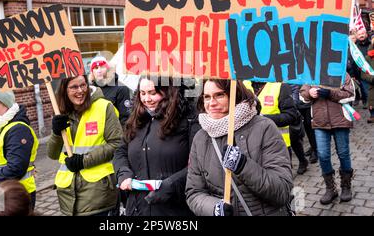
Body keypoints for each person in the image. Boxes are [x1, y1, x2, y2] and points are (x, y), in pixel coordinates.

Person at [186, 79, 293, 216]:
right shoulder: (200, 138)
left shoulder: (264, 127)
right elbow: (194, 192)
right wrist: (213, 208)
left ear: (234, 95)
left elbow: (282, 191)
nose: (211, 103)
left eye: (219, 95)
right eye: (207, 97)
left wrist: (243, 166)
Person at [113, 76, 200, 216]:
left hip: (175, 210)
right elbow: (121, 151)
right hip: (137, 209)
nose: (147, 99)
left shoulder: (189, 119)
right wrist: (123, 173)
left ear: (168, 91)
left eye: (153, 93)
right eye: (142, 93)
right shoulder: (136, 119)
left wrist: (171, 185)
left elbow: (199, 164)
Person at [47, 75, 122, 216]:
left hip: (99, 194)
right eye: (74, 87)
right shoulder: (61, 112)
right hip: (68, 197)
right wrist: (56, 133)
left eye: (83, 85)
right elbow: (52, 154)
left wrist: (83, 161)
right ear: (64, 90)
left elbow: (117, 143)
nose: (80, 90)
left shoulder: (104, 107)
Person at [300, 74, 355, 204]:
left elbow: (350, 94)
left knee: (343, 153)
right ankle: (331, 189)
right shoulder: (312, 72)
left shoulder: (341, 71)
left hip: (340, 120)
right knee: (323, 155)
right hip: (320, 121)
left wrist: (330, 93)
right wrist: (309, 93)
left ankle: (346, 186)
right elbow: (302, 95)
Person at [89, 56, 132, 127]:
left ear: (108, 69)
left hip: (114, 132)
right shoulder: (90, 89)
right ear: (92, 72)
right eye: (96, 68)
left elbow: (125, 118)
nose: (99, 71)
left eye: (102, 67)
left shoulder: (121, 88)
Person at [355, 28, 372, 108]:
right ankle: (366, 102)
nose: (361, 35)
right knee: (365, 89)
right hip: (361, 72)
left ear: (366, 34)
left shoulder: (371, 44)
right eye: (359, 34)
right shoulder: (354, 47)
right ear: (356, 36)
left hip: (372, 71)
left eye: (362, 33)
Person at [361, 37, 374, 123]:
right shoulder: (368, 58)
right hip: (372, 84)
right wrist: (372, 78)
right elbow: (363, 74)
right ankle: (372, 114)